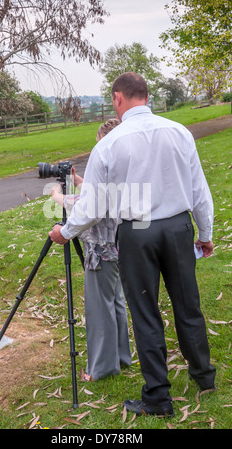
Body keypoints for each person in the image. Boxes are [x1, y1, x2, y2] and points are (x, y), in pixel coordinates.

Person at [49, 72, 216, 417]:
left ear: (117, 99)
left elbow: (93, 206)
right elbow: (199, 190)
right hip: (178, 227)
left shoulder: (108, 144)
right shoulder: (178, 131)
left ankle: (158, 397)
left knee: (146, 313)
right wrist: (205, 234)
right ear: (147, 95)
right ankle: (204, 376)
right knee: (188, 304)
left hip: (137, 234)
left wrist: (65, 233)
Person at [50, 118, 132, 382]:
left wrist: (58, 198)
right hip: (119, 247)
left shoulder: (108, 155)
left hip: (101, 250)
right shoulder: (126, 163)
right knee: (115, 302)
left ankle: (101, 368)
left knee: (100, 309)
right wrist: (78, 179)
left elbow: (90, 206)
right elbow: (102, 193)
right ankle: (120, 357)